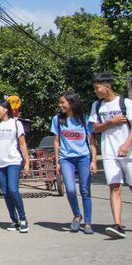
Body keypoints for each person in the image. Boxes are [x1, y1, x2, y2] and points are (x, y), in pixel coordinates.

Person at [88, 72, 132, 238]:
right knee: (114, 186)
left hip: (129, 152)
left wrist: (127, 145)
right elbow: (94, 128)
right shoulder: (97, 106)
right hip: (109, 152)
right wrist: (110, 122)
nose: (96, 91)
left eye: (97, 88)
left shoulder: (125, 103)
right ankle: (118, 224)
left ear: (108, 86)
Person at [52, 92, 97, 234]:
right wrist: (57, 160)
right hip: (66, 158)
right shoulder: (58, 119)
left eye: (62, 102)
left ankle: (88, 223)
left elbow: (92, 141)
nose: (60, 105)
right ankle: (77, 215)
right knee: (70, 189)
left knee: (85, 190)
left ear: (71, 103)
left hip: (83, 157)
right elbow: (56, 141)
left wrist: (94, 160)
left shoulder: (84, 119)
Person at [0, 99, 30, 232]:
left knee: (13, 190)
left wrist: (27, 161)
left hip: (13, 161)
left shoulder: (16, 124)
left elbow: (22, 144)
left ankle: (23, 219)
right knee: (6, 192)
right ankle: (14, 220)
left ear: (6, 109)